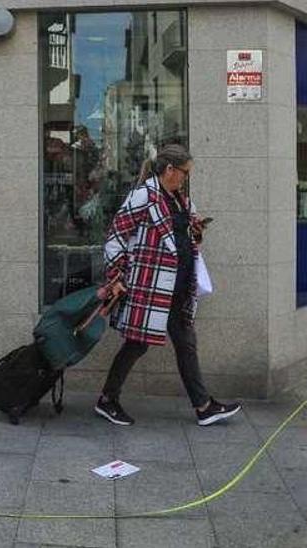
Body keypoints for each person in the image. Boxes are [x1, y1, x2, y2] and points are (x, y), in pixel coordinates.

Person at [94, 144, 242, 427]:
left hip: (178, 286)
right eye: (184, 172)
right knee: (137, 344)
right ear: (170, 170)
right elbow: (115, 237)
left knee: (185, 344)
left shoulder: (180, 199)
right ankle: (107, 399)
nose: (186, 178)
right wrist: (116, 276)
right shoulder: (143, 197)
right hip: (149, 287)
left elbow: (179, 239)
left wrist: (195, 232)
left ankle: (203, 406)